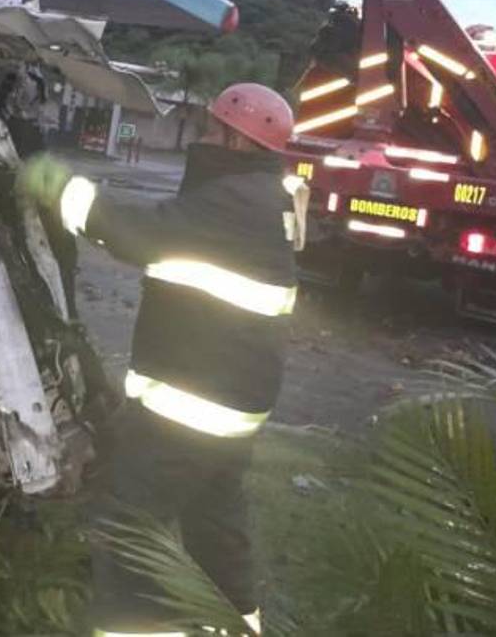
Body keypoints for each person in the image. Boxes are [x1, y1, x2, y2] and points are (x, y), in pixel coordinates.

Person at [17, 83, 306, 636]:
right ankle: (238, 626)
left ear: (234, 138)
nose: (200, 135)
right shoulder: (260, 199)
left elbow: (138, 234)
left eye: (209, 126)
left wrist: (64, 189)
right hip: (231, 410)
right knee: (215, 525)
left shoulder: (230, 203)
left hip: (190, 410)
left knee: (129, 525)